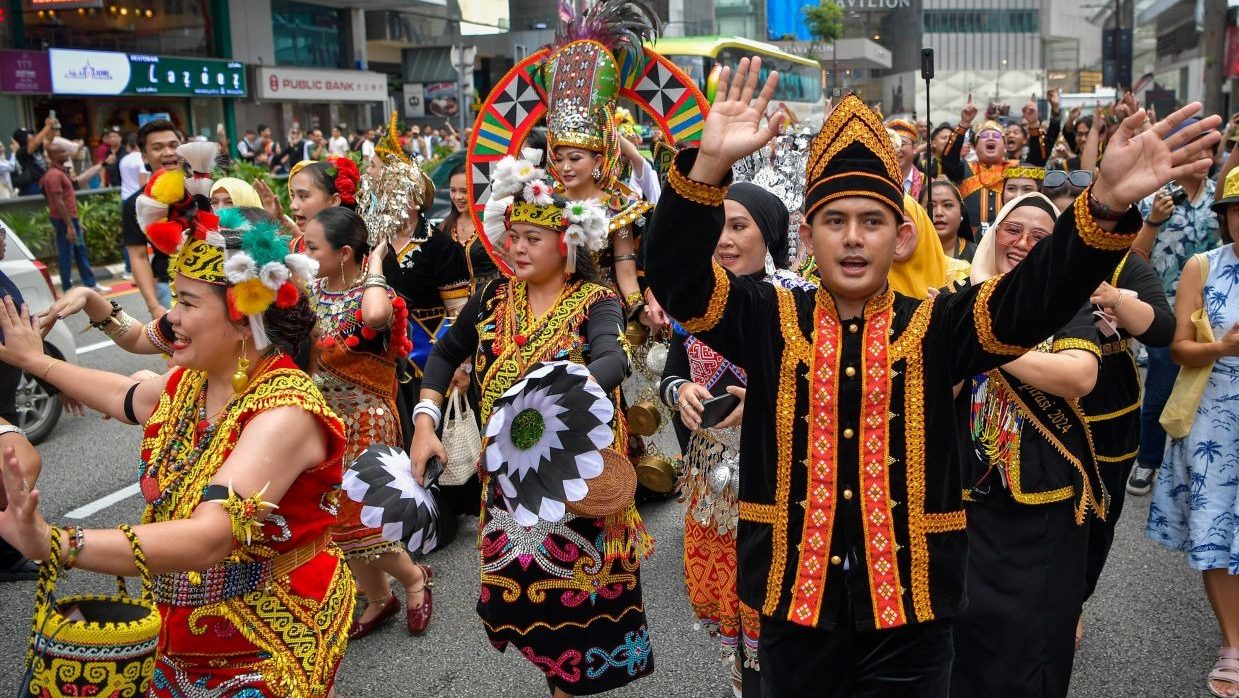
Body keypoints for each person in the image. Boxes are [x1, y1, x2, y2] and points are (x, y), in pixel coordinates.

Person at [643, 58, 1219, 698]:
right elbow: (674, 276)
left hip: (912, 614)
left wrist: (1106, 205)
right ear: (807, 236)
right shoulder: (766, 316)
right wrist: (706, 172)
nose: (854, 239)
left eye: (872, 221)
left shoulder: (941, 322)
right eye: (836, 221)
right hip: (792, 606)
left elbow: (1036, 298)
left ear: (903, 236)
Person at [0, 195, 355, 692]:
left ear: (241, 319)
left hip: (269, 636)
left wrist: (58, 542)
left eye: (187, 304)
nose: (170, 320)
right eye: (174, 300)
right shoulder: (194, 382)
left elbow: (210, 536)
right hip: (182, 627)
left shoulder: (284, 411)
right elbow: (125, 394)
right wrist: (37, 363)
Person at [412, 149, 652, 698]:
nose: (517, 247)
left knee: (579, 614)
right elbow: (446, 354)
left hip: (576, 481)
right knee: (527, 605)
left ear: (566, 248)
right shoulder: (494, 298)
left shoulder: (596, 300)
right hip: (508, 485)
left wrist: (563, 397)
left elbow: (613, 358)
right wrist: (425, 421)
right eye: (513, 234)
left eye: (532, 238)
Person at [662, 181, 814, 698]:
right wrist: (678, 391)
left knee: (782, 612)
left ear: (769, 234)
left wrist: (767, 401)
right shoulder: (700, 298)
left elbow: (827, 386)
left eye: (738, 225)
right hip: (715, 483)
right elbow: (672, 372)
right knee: (735, 619)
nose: (724, 239)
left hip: (782, 476)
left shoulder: (800, 300)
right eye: (717, 226)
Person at [950, 193, 1105, 697]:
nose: (1024, 243)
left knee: (1034, 645)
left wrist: (990, 342)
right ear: (994, 233)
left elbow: (1079, 376)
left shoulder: (1065, 298)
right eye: (1014, 230)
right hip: (964, 495)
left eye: (1042, 237)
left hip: (1045, 505)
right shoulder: (956, 296)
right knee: (962, 638)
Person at [301, 206, 432, 639]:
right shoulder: (312, 289)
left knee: (362, 517)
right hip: (325, 421)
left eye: (313, 246)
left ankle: (414, 579)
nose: (305, 251)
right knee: (334, 520)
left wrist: (375, 261)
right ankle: (380, 597)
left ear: (343, 253)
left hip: (368, 419)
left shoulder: (378, 295)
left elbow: (375, 318)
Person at [1146, 165, 1239, 698]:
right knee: (1217, 533)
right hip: (1215, 415)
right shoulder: (1201, 266)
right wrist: (1222, 349)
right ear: (1225, 218)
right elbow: (1178, 347)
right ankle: (1232, 644)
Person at [1127, 122, 1222, 496]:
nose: (1202, 160)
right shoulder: (1155, 198)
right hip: (1166, 309)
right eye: (1195, 152)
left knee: (1212, 388)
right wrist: (1153, 222)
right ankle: (1148, 460)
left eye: (1208, 153)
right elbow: (1135, 254)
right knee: (1161, 388)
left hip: (1212, 309)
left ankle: (1203, 462)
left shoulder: (1221, 198)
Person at [122, 120, 182, 319]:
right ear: (145, 157)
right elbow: (138, 257)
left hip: (214, 279)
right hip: (170, 288)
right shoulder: (136, 204)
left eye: (173, 145)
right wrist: (154, 306)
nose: (168, 152)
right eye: (158, 147)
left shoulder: (203, 188)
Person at [40, 138, 109, 294]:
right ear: (54, 155)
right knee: (66, 253)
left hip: (70, 219)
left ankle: (90, 283)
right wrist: (70, 226)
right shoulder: (53, 175)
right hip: (64, 221)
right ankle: (67, 287)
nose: (66, 153)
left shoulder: (59, 172)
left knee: (80, 250)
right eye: (62, 151)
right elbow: (58, 202)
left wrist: (75, 223)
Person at [942, 95, 1017, 232]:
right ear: (974, 147)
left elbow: (1038, 160)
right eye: (984, 136)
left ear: (1005, 146)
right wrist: (964, 124)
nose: (990, 138)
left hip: (1005, 240)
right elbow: (948, 160)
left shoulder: (1015, 170)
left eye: (996, 136)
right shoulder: (964, 169)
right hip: (970, 242)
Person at [442, 163, 500, 291]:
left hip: (490, 298)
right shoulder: (446, 227)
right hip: (455, 305)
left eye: (464, 191)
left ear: (477, 190)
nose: (457, 197)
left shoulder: (492, 225)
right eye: (453, 190)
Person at [931, 179, 977, 262]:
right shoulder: (909, 254)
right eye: (931, 206)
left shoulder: (978, 256)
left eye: (947, 205)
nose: (939, 213)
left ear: (961, 213)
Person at [888, 119, 925, 200]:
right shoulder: (879, 180)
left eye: (902, 143)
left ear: (915, 148)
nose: (897, 149)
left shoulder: (927, 183)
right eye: (892, 144)